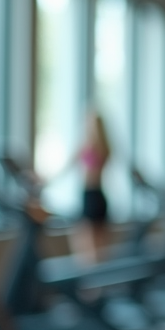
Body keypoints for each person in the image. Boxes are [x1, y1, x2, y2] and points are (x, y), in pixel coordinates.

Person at [73, 109, 111, 265]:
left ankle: (89, 287)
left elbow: (67, 167)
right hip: (100, 196)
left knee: (85, 248)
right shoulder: (106, 148)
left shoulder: (87, 147)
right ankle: (99, 286)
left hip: (90, 195)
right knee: (100, 247)